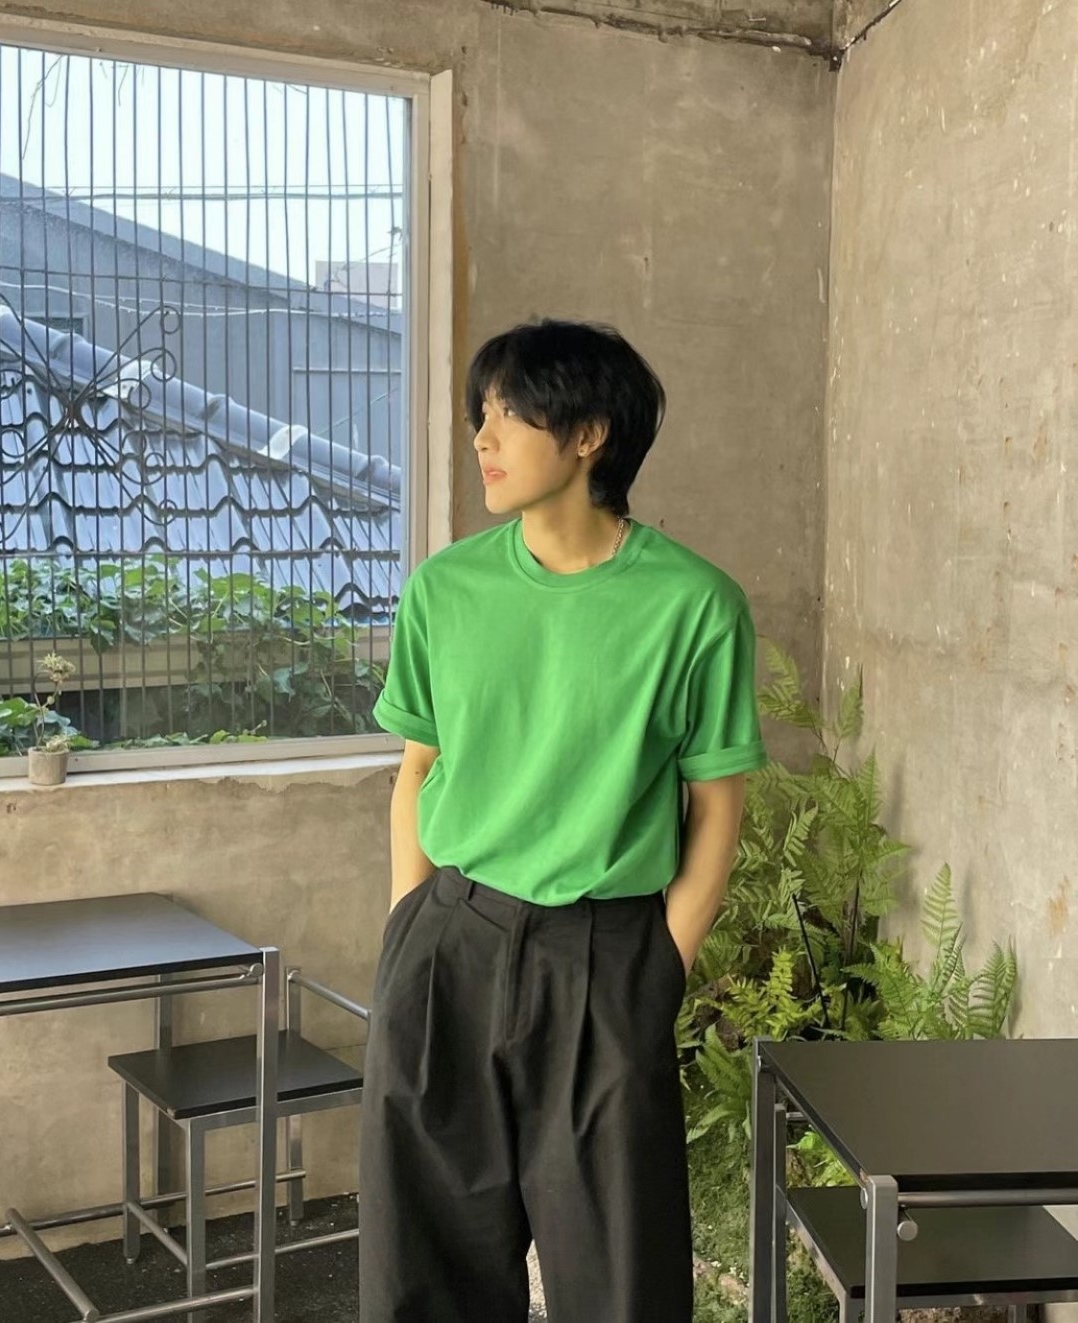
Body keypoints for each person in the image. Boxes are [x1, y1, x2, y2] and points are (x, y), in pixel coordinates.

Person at [359, 318, 767, 1323]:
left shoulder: (694, 604)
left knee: (620, 1279)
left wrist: (657, 969)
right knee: (426, 1271)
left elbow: (717, 809)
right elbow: (417, 772)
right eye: (481, 415)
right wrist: (411, 930)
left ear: (588, 434)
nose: (483, 438)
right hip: (450, 945)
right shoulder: (445, 589)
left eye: (509, 416)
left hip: (606, 956)